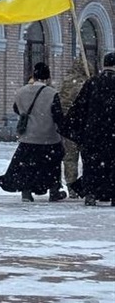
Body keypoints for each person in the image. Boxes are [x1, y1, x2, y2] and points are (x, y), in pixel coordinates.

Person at [0, 63, 67, 202]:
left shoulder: (21, 92)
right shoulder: (52, 93)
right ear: (48, 77)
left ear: (34, 75)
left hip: (28, 136)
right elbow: (57, 115)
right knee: (52, 164)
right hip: (48, 136)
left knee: (27, 165)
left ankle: (26, 192)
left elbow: (16, 109)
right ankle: (54, 190)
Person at [63, 51, 115, 206]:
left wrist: (77, 131)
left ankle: (91, 193)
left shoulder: (91, 83)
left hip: (93, 133)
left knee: (92, 165)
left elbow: (78, 109)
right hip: (112, 133)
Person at [58, 56, 90, 198]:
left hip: (68, 126)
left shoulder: (66, 82)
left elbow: (60, 101)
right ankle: (87, 186)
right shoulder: (87, 83)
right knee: (87, 157)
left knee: (70, 158)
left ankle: (71, 186)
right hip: (83, 125)